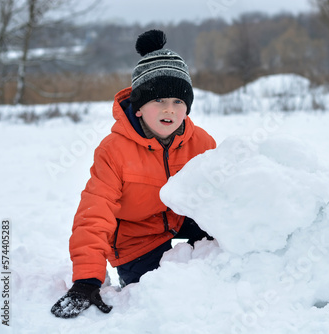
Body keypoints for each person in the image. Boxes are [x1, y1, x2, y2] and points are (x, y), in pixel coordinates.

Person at [51, 30, 216, 318]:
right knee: (153, 295)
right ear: (139, 108)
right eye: (159, 101)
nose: (170, 109)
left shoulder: (200, 142)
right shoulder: (114, 150)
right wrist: (87, 278)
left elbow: (226, 193)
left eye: (179, 101)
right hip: (136, 235)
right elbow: (94, 212)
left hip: (182, 220)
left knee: (219, 261)